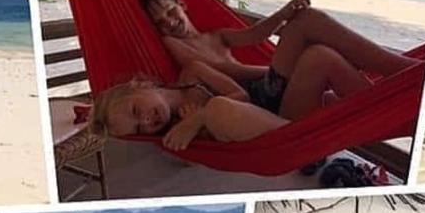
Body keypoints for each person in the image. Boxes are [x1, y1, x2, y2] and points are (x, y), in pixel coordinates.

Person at [139, 0, 418, 115]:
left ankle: (405, 88)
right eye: (160, 22)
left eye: (171, 12)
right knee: (308, 23)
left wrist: (284, 12)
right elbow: (227, 71)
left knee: (321, 53)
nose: (170, 22)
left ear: (182, 3)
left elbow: (257, 35)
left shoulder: (217, 36)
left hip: (271, 87)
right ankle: (408, 72)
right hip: (257, 99)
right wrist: (277, 69)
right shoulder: (175, 44)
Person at [88, 44, 376, 152]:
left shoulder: (192, 75)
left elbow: (241, 92)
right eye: (140, 129)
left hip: (281, 113)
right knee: (217, 108)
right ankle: (395, 94)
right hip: (287, 136)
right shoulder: (177, 129)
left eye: (138, 110)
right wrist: (197, 123)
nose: (148, 120)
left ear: (140, 85)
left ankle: (402, 86)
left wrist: (198, 117)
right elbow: (199, 157)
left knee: (318, 56)